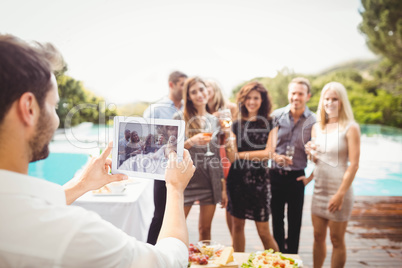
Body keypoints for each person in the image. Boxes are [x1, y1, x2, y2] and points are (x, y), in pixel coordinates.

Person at [0, 34, 195, 267]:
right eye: (53, 106)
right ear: (29, 108)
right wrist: (174, 188)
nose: (57, 119)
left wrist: (81, 185)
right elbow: (166, 262)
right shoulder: (72, 233)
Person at [302, 82, 360, 268]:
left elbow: (354, 164)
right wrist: (309, 155)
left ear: (341, 101)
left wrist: (340, 194)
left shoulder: (350, 128)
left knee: (336, 240)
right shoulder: (317, 127)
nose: (330, 102)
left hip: (339, 192)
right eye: (327, 98)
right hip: (319, 191)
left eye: (334, 99)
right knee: (318, 237)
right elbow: (317, 160)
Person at [175, 76, 235, 241]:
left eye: (201, 89)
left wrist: (222, 188)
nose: (199, 94)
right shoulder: (179, 118)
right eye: (193, 92)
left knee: (205, 229)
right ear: (188, 97)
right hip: (186, 180)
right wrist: (191, 142)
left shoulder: (215, 120)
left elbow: (218, 156)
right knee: (176, 229)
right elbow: (168, 150)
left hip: (210, 180)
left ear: (207, 91)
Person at [225, 81, 280, 252]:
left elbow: (269, 153)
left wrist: (240, 155)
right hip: (237, 181)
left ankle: (279, 264)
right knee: (237, 227)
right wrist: (228, 139)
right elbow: (230, 156)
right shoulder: (235, 124)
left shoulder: (271, 122)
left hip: (260, 182)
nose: (252, 101)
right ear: (243, 100)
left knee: (264, 232)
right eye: (248, 98)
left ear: (263, 100)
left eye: (256, 98)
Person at [269, 77, 316, 254]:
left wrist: (309, 178)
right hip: (275, 174)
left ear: (308, 96)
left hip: (297, 177)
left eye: (300, 94)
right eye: (293, 93)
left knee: (295, 221)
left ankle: (292, 259)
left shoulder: (314, 121)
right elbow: (267, 147)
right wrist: (275, 157)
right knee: (277, 220)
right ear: (289, 94)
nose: (296, 97)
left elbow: (321, 153)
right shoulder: (276, 116)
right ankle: (278, 255)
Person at [143, 71, 188, 245]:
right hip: (162, 169)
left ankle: (171, 253)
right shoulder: (155, 109)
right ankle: (150, 252)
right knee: (160, 214)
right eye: (182, 84)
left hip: (183, 168)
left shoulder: (188, 108)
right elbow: (146, 139)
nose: (185, 88)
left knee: (178, 214)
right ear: (172, 84)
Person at [205, 78, 238, 237]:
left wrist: (228, 129)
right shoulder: (200, 112)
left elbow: (238, 134)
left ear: (215, 89)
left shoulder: (230, 108)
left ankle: (235, 245)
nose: (204, 91)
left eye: (207, 87)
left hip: (227, 155)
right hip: (209, 159)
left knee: (231, 205)